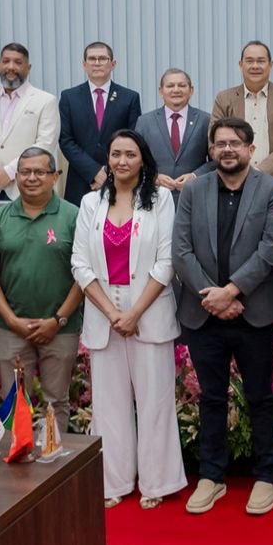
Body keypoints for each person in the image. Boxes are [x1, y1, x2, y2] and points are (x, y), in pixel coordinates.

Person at [173, 118, 273, 516]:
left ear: (250, 149)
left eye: (235, 143)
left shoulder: (272, 189)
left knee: (260, 397)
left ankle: (266, 475)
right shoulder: (193, 190)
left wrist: (232, 292)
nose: (227, 150)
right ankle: (211, 476)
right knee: (211, 398)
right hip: (203, 312)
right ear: (211, 149)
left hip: (253, 312)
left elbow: (271, 251)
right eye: (220, 143)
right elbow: (181, 251)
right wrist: (213, 296)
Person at [71, 130, 187, 509]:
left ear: (144, 160)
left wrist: (135, 313)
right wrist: (112, 313)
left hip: (148, 311)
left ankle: (156, 483)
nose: (122, 161)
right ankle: (114, 481)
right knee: (109, 405)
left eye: (130, 154)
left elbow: (168, 260)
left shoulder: (162, 200)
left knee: (155, 402)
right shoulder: (90, 203)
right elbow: (80, 264)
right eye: (115, 154)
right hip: (105, 313)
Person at [0, 147, 83, 432]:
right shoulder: (0, 219)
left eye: (40, 172)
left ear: (55, 176)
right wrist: (11, 320)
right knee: (13, 402)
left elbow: (84, 277)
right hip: (12, 327)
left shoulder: (73, 217)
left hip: (60, 328)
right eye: (24, 172)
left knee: (56, 402)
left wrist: (58, 319)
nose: (31, 178)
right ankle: (18, 466)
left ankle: (53, 470)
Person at [0, 41, 59, 201]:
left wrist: (9, 171)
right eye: (6, 61)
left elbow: (44, 144)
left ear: (28, 67)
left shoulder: (45, 101)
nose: (11, 67)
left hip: (28, 187)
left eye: (18, 62)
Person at [211, 40, 273, 198]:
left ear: (270, 64)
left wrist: (260, 171)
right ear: (241, 65)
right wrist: (239, 170)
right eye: (249, 61)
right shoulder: (224, 98)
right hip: (232, 184)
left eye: (261, 61)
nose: (255, 66)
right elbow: (214, 141)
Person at [59, 41, 142, 196]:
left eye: (102, 59)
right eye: (92, 59)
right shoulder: (69, 97)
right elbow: (65, 140)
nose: (97, 63)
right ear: (84, 64)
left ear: (113, 64)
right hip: (80, 180)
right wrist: (94, 172)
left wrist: (109, 172)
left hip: (119, 178)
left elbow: (133, 140)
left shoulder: (129, 98)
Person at [136, 68, 212, 194]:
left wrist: (195, 176)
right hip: (155, 196)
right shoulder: (144, 122)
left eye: (182, 85)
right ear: (161, 91)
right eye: (170, 86)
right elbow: (136, 159)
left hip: (195, 195)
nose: (176, 90)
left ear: (191, 90)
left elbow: (216, 160)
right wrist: (154, 177)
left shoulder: (206, 120)